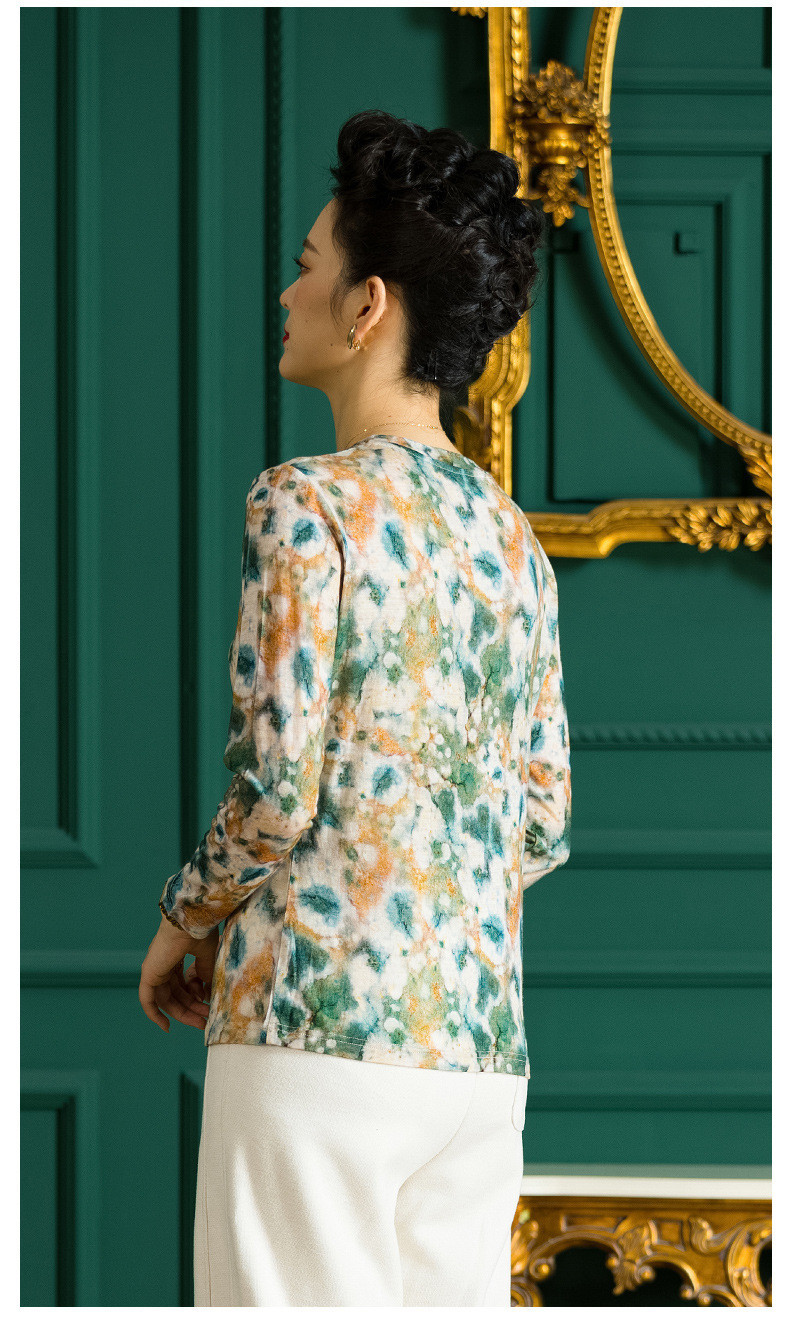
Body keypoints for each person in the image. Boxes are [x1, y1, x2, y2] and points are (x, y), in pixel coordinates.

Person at [138, 109, 571, 1307]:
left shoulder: (306, 503)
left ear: (368, 304)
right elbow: (541, 820)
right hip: (476, 1056)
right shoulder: (514, 540)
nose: (289, 292)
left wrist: (183, 918)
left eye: (308, 264)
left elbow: (275, 793)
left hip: (311, 1036)